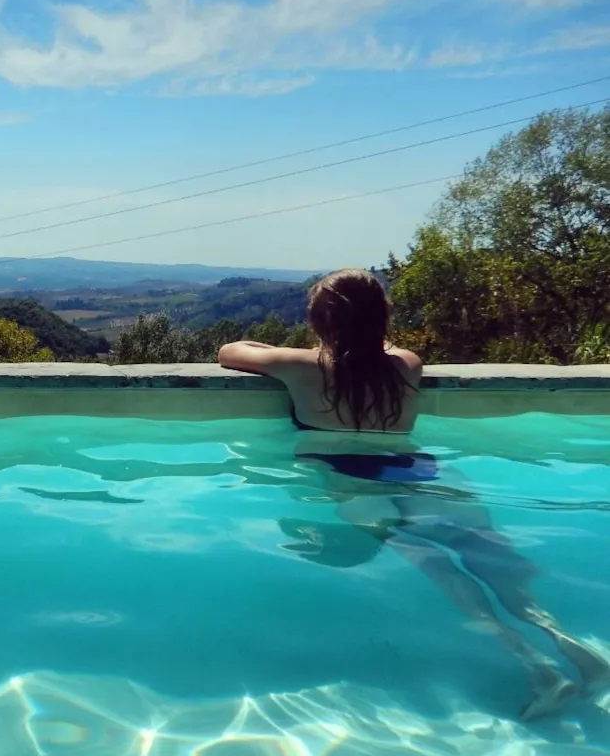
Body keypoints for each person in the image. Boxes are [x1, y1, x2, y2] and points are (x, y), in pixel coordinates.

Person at [219, 268, 609, 719]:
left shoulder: (300, 366)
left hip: (354, 480)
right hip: (421, 472)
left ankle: (539, 669)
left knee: (440, 569)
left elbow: (229, 351)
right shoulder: (407, 363)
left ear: (320, 320)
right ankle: (577, 650)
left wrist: (290, 347)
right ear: (381, 316)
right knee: (489, 562)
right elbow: (370, 355)